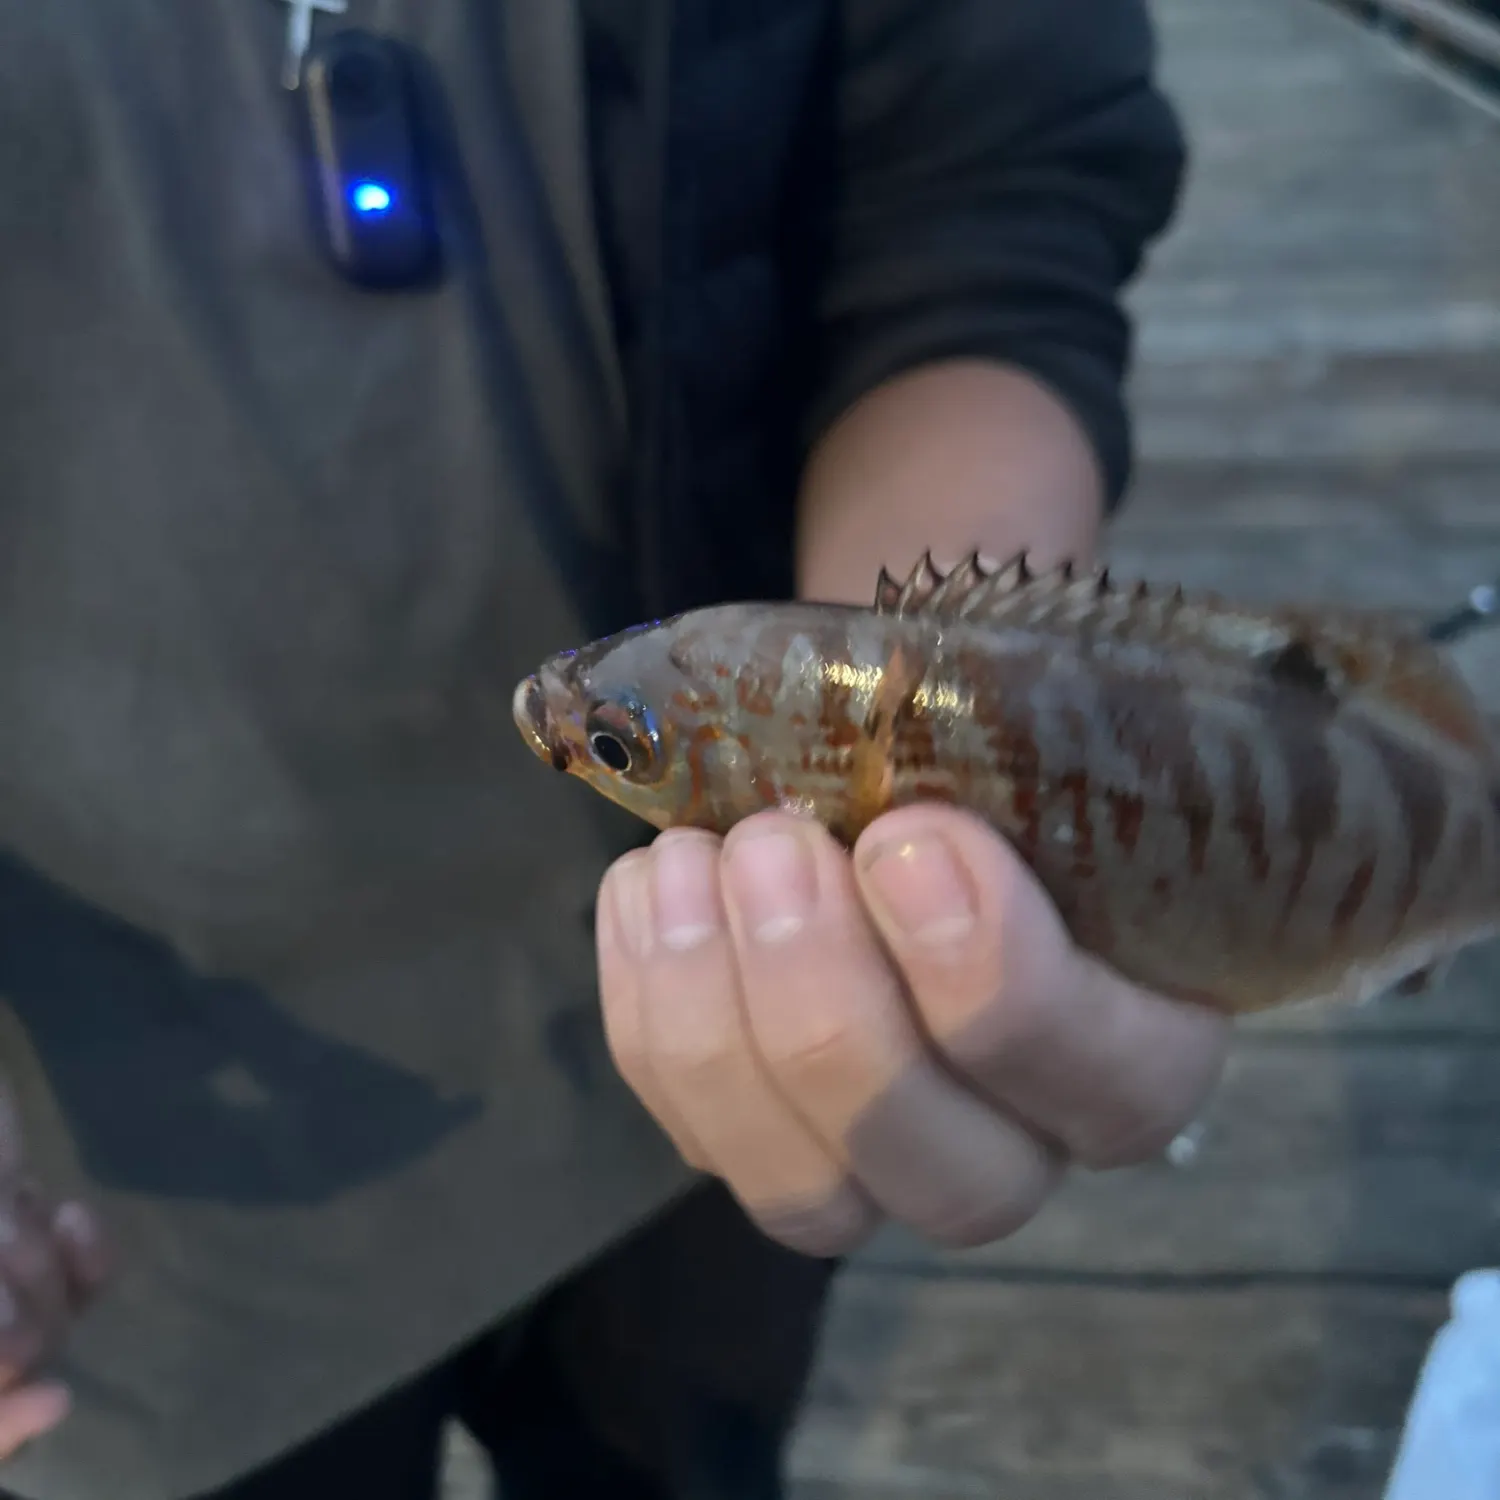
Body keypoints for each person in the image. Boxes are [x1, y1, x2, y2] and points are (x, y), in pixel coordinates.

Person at [0, 1, 1227, 1496]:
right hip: (130, 1177)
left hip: (696, 1143)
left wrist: (957, 831)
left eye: (611, 733)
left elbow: (991, 193)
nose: (558, 727)